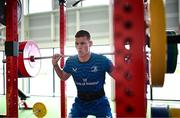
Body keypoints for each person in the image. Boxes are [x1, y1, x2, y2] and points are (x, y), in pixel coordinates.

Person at [52, 30, 114, 118]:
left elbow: (119, 77)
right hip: (80, 103)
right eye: (76, 44)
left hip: (100, 102)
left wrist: (125, 62)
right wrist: (55, 64)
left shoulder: (102, 60)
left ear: (90, 43)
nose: (79, 47)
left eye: (82, 43)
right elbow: (63, 77)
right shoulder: (71, 61)